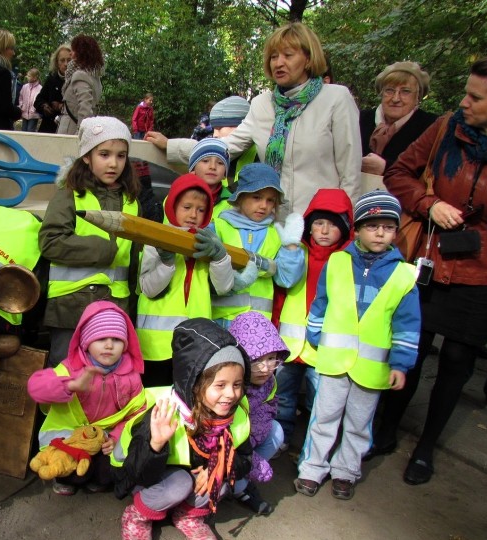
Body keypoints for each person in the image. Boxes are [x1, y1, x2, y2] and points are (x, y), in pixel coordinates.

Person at [375, 56, 487, 485]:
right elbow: (398, 171)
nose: (464, 102)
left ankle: (425, 448)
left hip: (481, 273)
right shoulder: (445, 129)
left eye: (476, 97)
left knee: (458, 361)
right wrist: (429, 205)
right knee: (412, 345)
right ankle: (385, 432)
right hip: (429, 259)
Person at [146, 23, 361, 222]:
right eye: (273, 56)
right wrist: (171, 145)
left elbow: (349, 172)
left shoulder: (336, 98)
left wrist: (345, 222)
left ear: (308, 59)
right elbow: (224, 147)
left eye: (288, 55)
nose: (278, 63)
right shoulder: (262, 104)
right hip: (270, 221)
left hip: (320, 224)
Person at [295, 190, 420, 500]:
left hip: (371, 367)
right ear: (358, 229)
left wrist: (401, 365)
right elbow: (320, 303)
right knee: (324, 416)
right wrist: (314, 336)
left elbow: (407, 324)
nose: (380, 233)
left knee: (358, 424)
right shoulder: (338, 262)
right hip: (334, 361)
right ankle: (312, 468)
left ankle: (346, 471)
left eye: (388, 227)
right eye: (372, 226)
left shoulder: (404, 275)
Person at [112, 318, 251, 540]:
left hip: (190, 472)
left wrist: (218, 466)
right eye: (220, 385)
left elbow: (246, 458)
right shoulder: (163, 411)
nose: (231, 394)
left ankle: (188, 515)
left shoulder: (236, 413)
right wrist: (155, 444)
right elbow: (135, 472)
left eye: (237, 384)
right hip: (146, 475)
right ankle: (137, 517)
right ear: (195, 384)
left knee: (220, 475)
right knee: (179, 483)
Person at [39, 116, 142, 366]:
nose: (113, 163)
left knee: (107, 382)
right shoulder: (69, 195)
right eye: (104, 154)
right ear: (87, 156)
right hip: (71, 309)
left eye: (121, 155)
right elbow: (50, 241)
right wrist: (102, 249)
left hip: (115, 311)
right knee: (65, 377)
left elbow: (135, 262)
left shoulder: (132, 202)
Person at [28, 301, 147, 495]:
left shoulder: (131, 376)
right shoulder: (69, 368)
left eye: (116, 340)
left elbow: (137, 412)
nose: (109, 345)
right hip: (69, 438)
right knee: (72, 471)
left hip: (103, 437)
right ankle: (66, 478)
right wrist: (70, 385)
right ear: (86, 341)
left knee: (106, 473)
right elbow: (35, 388)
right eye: (101, 339)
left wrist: (116, 437)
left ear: (125, 345)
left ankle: (97, 477)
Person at [274, 188, 354, 452]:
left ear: (344, 230)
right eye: (318, 223)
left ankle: (315, 448)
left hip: (323, 349)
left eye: (332, 225)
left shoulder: (347, 262)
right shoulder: (297, 251)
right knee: (283, 397)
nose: (324, 230)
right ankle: (280, 438)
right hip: (289, 343)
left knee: (320, 403)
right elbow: (282, 291)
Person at [137, 173, 233, 386]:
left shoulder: (209, 243)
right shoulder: (156, 239)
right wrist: (166, 262)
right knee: (155, 400)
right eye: (187, 207)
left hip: (196, 343)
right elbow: (149, 289)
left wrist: (220, 258)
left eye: (200, 210)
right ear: (172, 206)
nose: (193, 215)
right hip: (156, 344)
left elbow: (223, 287)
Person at [210, 163, 305, 328]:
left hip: (259, 326)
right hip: (219, 320)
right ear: (240, 197)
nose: (264, 206)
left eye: (271, 200)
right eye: (257, 197)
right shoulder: (217, 227)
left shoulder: (277, 234)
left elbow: (286, 279)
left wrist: (290, 246)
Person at [228, 311, 288, 515]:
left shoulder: (269, 382)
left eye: (271, 358)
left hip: (249, 440)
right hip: (226, 446)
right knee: (218, 488)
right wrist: (251, 460)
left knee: (277, 431)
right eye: (256, 360)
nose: (265, 368)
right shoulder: (228, 386)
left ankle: (240, 482)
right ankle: (235, 482)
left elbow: (267, 414)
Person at [361, 61, 439, 177]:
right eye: (389, 90)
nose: (396, 98)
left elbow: (432, 172)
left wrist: (386, 168)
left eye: (405, 91)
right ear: (381, 93)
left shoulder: (431, 126)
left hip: (403, 194)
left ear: (417, 97)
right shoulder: (360, 119)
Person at [57, 35, 104, 135]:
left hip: (70, 129)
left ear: (80, 52)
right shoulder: (95, 77)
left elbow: (85, 107)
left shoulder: (80, 75)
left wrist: (80, 133)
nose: (70, 53)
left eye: (73, 50)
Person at [208, 95, 257, 187]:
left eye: (220, 128)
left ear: (241, 127)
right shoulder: (222, 154)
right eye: (214, 129)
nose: (215, 135)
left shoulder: (261, 155)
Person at [188, 136, 234, 216]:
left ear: (224, 174)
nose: (213, 167)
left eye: (220, 163)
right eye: (205, 161)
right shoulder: (177, 195)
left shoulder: (232, 203)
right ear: (193, 169)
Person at [35, 44, 71, 134]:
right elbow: (38, 100)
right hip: (49, 128)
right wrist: (44, 106)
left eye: (69, 60)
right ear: (57, 63)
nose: (66, 64)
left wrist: (61, 107)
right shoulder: (52, 79)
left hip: (68, 129)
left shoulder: (78, 80)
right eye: (62, 60)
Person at [18, 68, 43, 132]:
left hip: (34, 114)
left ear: (34, 78)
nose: (27, 77)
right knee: (23, 130)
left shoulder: (40, 88)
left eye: (29, 76)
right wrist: (21, 105)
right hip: (24, 112)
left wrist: (35, 109)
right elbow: (21, 97)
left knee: (30, 130)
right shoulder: (25, 87)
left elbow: (39, 100)